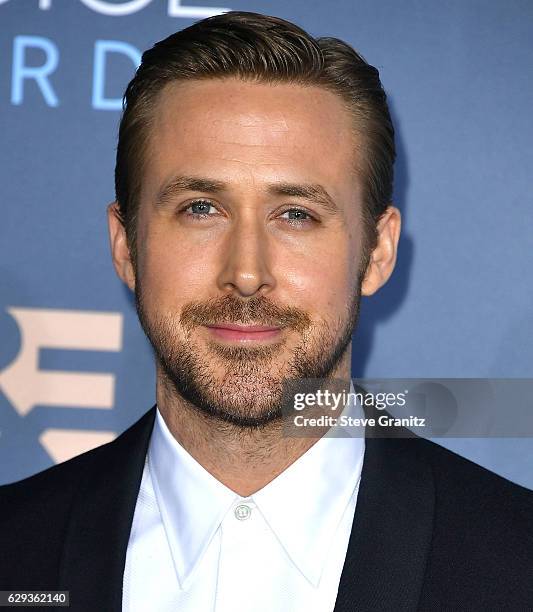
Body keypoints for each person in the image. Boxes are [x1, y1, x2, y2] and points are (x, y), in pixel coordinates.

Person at [0, 11, 532, 612]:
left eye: (296, 214)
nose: (247, 273)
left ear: (378, 251)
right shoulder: (14, 551)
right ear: (126, 246)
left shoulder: (518, 564)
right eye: (202, 208)